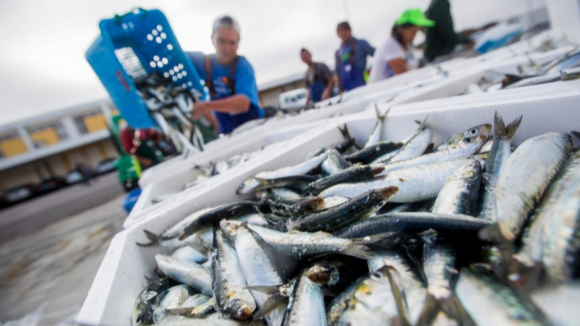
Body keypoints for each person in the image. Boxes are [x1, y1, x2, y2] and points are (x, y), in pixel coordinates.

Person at [187, 16, 264, 135]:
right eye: (221, 41)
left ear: (238, 43)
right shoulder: (202, 62)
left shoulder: (243, 67)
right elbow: (174, 56)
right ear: (212, 39)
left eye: (232, 43)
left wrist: (205, 106)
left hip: (253, 129)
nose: (226, 48)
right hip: (226, 132)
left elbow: (243, 103)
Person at [369, 9, 435, 83]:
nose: (414, 35)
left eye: (417, 31)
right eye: (412, 31)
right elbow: (405, 77)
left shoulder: (407, 46)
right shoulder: (390, 44)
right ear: (400, 29)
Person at [335, 22, 375, 92]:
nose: (344, 32)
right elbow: (338, 74)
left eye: (346, 29)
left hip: (365, 87)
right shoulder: (337, 53)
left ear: (350, 30)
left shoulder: (361, 43)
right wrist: (340, 91)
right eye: (341, 30)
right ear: (338, 34)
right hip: (348, 92)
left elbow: (377, 54)